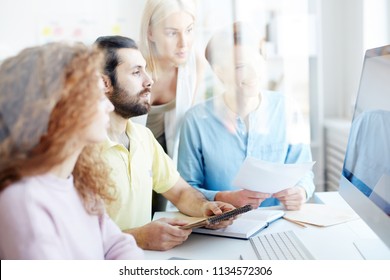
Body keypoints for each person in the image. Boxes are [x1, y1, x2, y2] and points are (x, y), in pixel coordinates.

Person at [0, 42, 143, 259]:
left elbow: (119, 246)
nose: (110, 106)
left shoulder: (79, 182)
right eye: (97, 97)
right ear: (60, 107)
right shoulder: (22, 201)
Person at [94, 35, 235, 251]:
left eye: (145, 70)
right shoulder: (78, 151)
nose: (149, 80)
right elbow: (72, 238)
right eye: (136, 72)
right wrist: (138, 238)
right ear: (105, 83)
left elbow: (179, 192)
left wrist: (207, 208)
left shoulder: (143, 138)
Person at [178, 22, 315, 211]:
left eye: (257, 61)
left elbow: (304, 172)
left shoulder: (287, 108)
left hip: (277, 222)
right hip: (221, 226)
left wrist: (302, 191)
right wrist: (222, 197)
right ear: (220, 71)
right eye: (241, 66)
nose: (254, 73)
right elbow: (185, 189)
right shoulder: (195, 120)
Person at [139, 0, 205, 213]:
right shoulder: (133, 64)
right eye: (172, 33)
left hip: (165, 156)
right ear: (150, 33)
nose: (183, 43)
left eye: (189, 30)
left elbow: (187, 124)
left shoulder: (194, 66)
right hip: (128, 156)